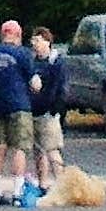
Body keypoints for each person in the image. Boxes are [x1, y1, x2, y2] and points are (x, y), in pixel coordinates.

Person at [0, 18, 34, 206]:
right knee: (19, 148)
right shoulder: (23, 54)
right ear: (18, 35)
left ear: (2, 34)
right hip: (19, 106)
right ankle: (18, 193)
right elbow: (34, 83)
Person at [26, 20, 69, 187]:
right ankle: (43, 184)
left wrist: (55, 110)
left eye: (37, 40)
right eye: (33, 41)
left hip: (49, 114)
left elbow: (62, 89)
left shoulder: (56, 62)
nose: (34, 44)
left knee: (52, 150)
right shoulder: (32, 62)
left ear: (47, 41)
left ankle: (62, 184)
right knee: (38, 151)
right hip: (33, 112)